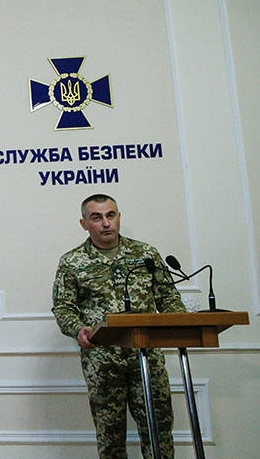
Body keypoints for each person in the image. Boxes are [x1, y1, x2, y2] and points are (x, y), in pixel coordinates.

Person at [52, 194, 186, 459]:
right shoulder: (72, 261)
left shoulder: (145, 254)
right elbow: (63, 307)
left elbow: (168, 297)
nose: (106, 223)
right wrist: (78, 329)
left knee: (158, 431)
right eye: (97, 217)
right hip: (102, 361)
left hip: (146, 356)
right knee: (110, 437)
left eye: (111, 215)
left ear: (119, 217)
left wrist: (180, 323)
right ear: (84, 224)